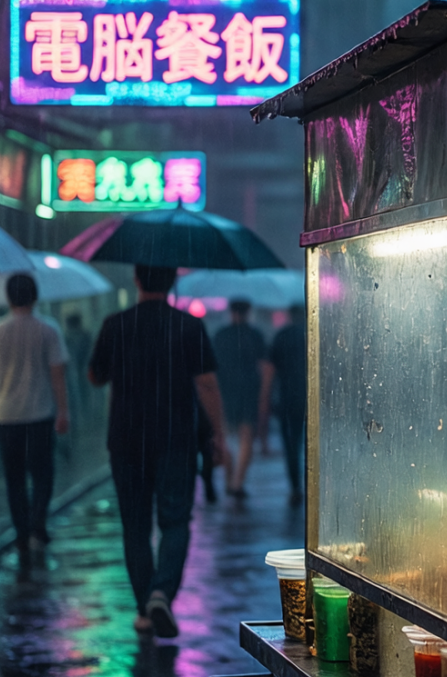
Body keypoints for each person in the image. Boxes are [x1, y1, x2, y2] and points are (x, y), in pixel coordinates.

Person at [89, 265, 229, 636]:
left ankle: (145, 607)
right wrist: (218, 434)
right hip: (175, 439)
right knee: (175, 520)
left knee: (135, 527)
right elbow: (207, 384)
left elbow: (95, 375)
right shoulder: (188, 326)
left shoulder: (115, 325)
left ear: (136, 280)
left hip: (126, 439)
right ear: (172, 282)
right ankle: (162, 593)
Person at [0, 272, 71, 554]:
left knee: (14, 477)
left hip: (6, 415)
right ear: (35, 297)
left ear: (8, 297)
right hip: (40, 413)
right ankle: (38, 523)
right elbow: (57, 375)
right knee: (42, 473)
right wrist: (63, 411)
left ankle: (21, 530)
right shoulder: (48, 330)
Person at [210, 298, 268, 498]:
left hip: (225, 392)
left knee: (226, 438)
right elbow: (263, 367)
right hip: (248, 392)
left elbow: (212, 368)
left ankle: (228, 480)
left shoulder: (220, 335)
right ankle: (237, 482)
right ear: (248, 312)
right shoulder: (254, 335)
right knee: (246, 438)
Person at [261, 310, 306, 502]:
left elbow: (269, 373)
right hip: (313, 399)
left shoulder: (282, 336)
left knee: (291, 446)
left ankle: (296, 488)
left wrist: (265, 399)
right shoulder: (317, 334)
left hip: (288, 399)